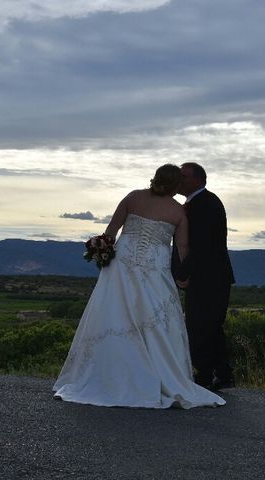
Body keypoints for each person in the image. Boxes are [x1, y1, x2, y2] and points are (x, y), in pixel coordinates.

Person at [53, 164, 225, 409]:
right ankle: (159, 373)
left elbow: (110, 234)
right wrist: (183, 275)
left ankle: (105, 374)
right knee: (156, 319)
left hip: (122, 265)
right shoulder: (178, 211)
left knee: (115, 313)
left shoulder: (133, 198)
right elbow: (182, 247)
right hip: (155, 269)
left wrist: (100, 253)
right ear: (176, 186)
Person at [178, 162, 235, 390]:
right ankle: (221, 374)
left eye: (184, 177)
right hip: (212, 276)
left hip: (208, 278)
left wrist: (184, 272)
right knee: (210, 326)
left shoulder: (205, 204)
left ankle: (205, 376)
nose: (179, 180)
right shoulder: (199, 203)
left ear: (198, 180)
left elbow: (201, 246)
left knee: (200, 326)